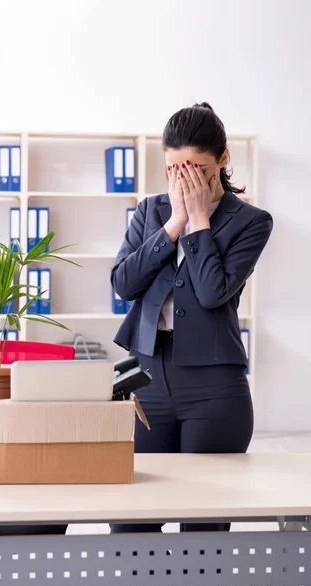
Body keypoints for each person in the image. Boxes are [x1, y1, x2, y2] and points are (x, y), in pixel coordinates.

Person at [110, 102, 273, 534]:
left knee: (203, 524)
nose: (184, 178)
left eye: (196, 167)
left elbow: (213, 292)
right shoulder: (150, 211)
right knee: (129, 520)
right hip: (146, 377)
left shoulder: (251, 222)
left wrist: (198, 221)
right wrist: (173, 225)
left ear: (222, 159)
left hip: (214, 388)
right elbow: (123, 284)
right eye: (174, 168)